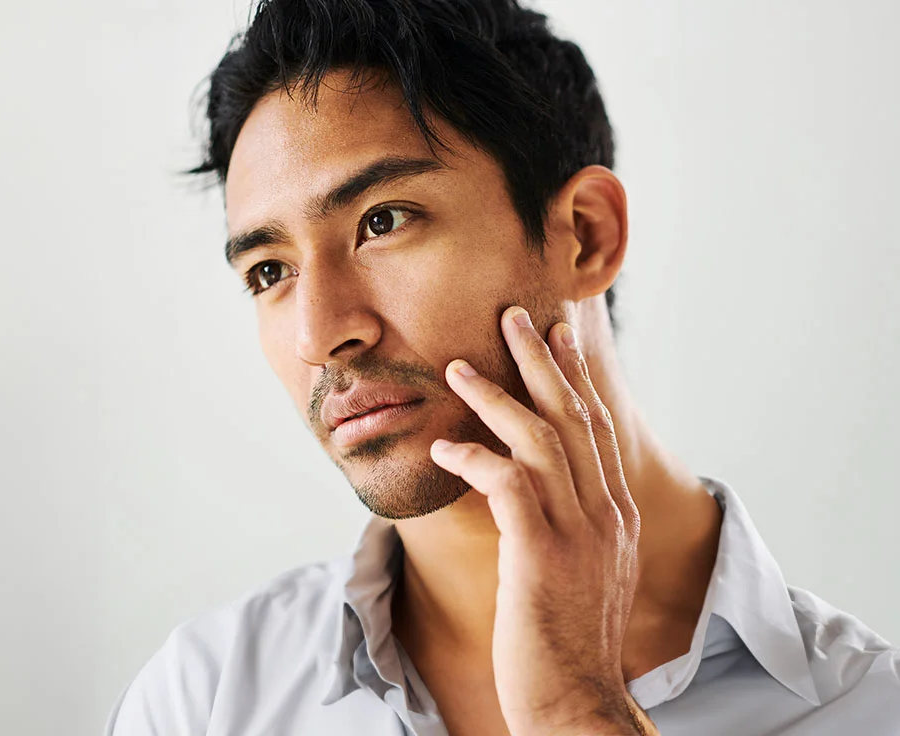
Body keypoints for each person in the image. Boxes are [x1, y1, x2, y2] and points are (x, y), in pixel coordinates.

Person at [104, 0, 900, 734]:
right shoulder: (205, 701)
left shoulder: (868, 709)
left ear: (584, 236)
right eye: (269, 272)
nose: (321, 335)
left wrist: (575, 710)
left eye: (382, 222)